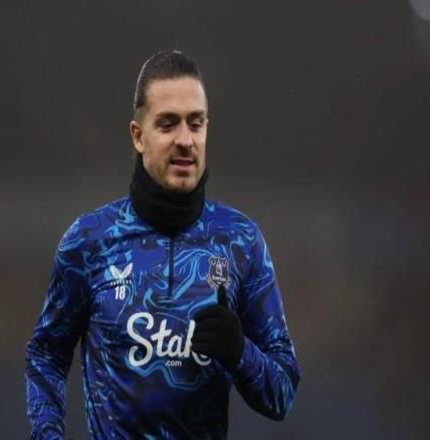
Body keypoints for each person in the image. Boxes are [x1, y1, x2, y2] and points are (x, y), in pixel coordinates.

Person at [25, 49, 301, 440]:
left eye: (196, 123)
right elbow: (46, 355)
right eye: (168, 124)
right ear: (139, 136)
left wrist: (240, 352)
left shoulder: (241, 241)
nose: (185, 140)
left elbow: (283, 393)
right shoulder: (89, 241)